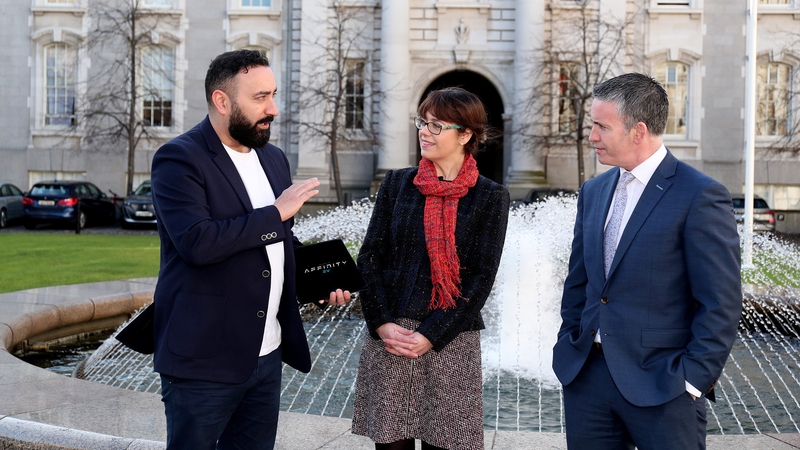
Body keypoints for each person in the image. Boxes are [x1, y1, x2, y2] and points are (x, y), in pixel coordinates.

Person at [149, 49, 350, 450]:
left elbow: (278, 241)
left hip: (266, 355)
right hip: (203, 358)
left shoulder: (274, 159)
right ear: (222, 101)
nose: (272, 108)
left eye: (273, 95)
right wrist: (276, 213)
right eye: (260, 97)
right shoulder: (178, 158)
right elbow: (198, 243)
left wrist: (323, 279)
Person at [552, 73, 742, 450]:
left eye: (601, 127)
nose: (591, 136)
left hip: (664, 387)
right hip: (587, 380)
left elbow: (720, 303)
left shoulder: (700, 195)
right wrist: (568, 343)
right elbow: (580, 283)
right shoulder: (594, 190)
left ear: (638, 131)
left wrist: (692, 380)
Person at [351, 87, 510, 450]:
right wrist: (380, 323)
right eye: (422, 122)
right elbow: (370, 257)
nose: (424, 131)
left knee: (448, 444)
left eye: (437, 125)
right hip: (392, 335)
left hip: (449, 339)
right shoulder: (396, 184)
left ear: (466, 134)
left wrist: (431, 335)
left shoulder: (490, 196)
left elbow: (480, 277)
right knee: (392, 443)